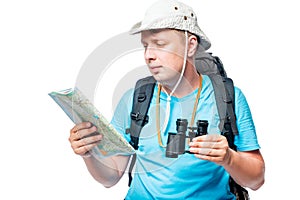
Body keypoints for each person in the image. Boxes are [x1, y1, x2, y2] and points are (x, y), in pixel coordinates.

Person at [68, 0, 265, 199]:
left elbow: (256, 180)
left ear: (190, 46)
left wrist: (229, 158)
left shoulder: (227, 97)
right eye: (145, 46)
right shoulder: (134, 99)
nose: (148, 55)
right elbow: (110, 178)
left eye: (160, 45)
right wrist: (89, 153)